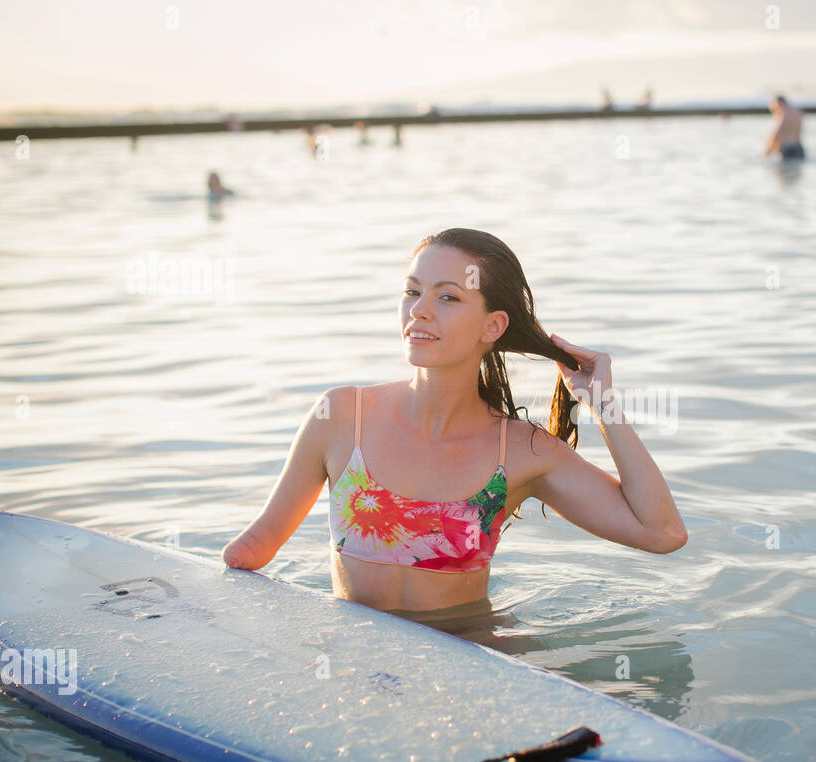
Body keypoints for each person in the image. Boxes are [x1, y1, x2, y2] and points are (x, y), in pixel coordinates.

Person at [220, 228, 688, 613]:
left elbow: (662, 533)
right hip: (353, 664)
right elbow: (255, 548)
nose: (419, 309)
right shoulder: (342, 417)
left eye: (448, 298)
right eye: (412, 291)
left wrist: (603, 404)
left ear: (493, 326)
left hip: (472, 666)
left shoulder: (522, 452)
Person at [763, 95, 804, 160]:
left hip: (786, 149)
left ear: (780, 103)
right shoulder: (798, 113)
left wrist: (766, 151)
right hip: (798, 148)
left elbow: (777, 134)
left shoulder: (783, 115)